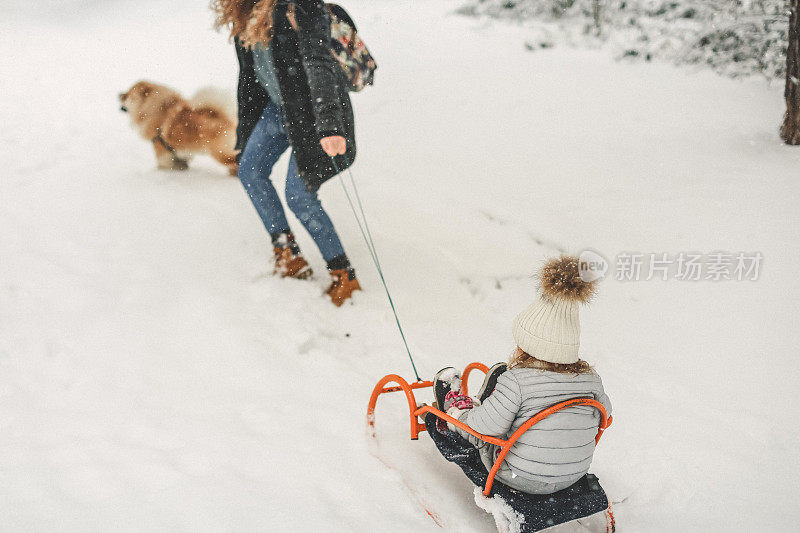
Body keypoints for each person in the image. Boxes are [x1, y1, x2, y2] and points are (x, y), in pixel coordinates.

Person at [213, 0, 361, 306]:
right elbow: (249, 80)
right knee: (250, 171)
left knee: (299, 195)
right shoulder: (245, 12)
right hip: (278, 111)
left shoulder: (302, 6)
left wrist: (330, 126)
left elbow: (320, 64)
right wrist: (244, 136)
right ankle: (288, 254)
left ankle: (343, 274)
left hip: (316, 116)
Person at [432, 255, 612, 496]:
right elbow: (605, 416)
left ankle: (458, 406)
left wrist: (462, 418)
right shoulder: (592, 382)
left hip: (519, 477)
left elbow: (485, 428)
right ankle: (495, 404)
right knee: (523, 421)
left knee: (481, 433)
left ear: (528, 346)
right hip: (572, 475)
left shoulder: (518, 381)